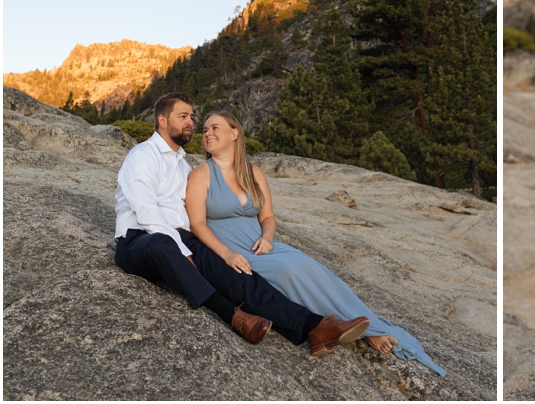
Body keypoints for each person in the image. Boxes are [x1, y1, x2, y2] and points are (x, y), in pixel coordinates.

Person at [185, 111, 447, 377]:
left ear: (234, 133)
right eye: (204, 130)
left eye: (214, 127)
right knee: (290, 273)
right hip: (234, 250)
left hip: (261, 245)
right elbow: (198, 225)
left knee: (311, 267)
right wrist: (227, 255)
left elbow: (268, 217)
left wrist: (267, 237)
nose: (207, 133)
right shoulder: (201, 175)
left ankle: (368, 325)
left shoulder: (253, 173)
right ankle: (361, 331)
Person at [114, 92, 370, 355]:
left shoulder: (183, 166)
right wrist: (184, 251)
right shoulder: (143, 155)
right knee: (161, 243)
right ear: (162, 120)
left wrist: (206, 251)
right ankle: (233, 316)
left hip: (181, 240)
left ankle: (314, 327)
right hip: (139, 241)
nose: (191, 122)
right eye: (183, 116)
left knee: (239, 274)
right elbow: (146, 211)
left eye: (192, 116)